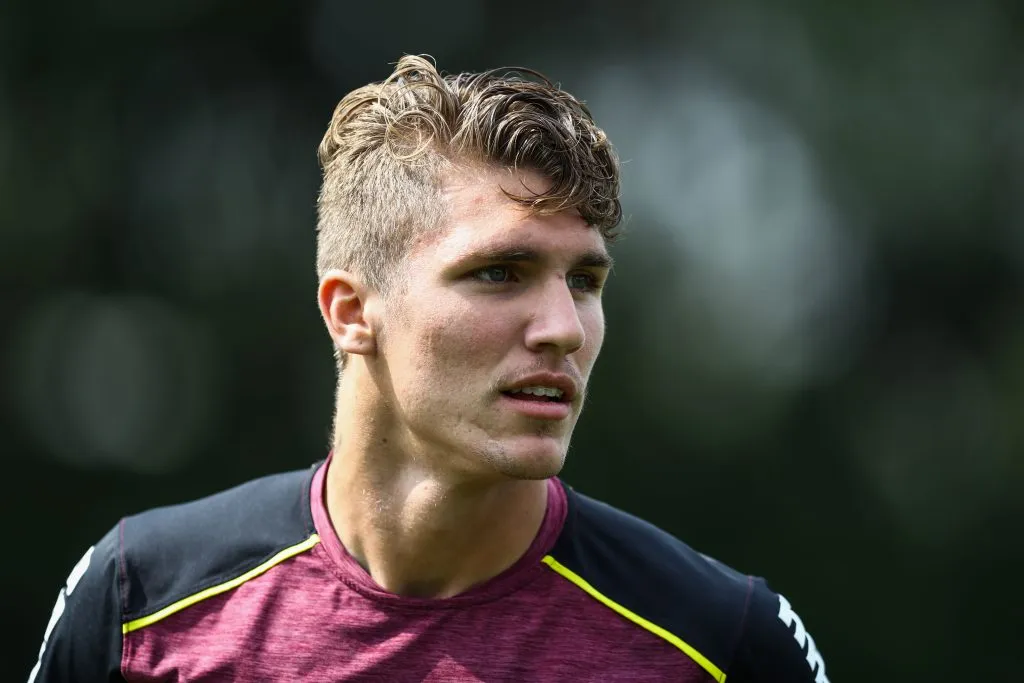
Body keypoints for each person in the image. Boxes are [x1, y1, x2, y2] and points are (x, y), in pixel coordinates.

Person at [28, 55, 830, 683]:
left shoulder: (720, 641)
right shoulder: (139, 604)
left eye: (584, 280)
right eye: (499, 272)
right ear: (351, 311)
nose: (563, 328)